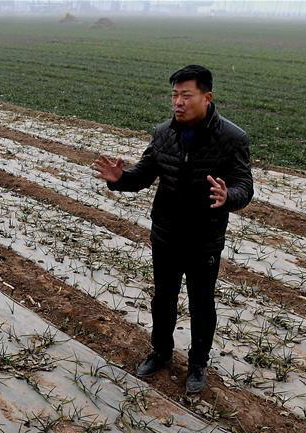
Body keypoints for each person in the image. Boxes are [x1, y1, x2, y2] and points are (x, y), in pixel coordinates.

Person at [93, 65, 253, 394]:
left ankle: (198, 364)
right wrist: (120, 179)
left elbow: (244, 186)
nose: (178, 102)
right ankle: (161, 352)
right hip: (166, 235)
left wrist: (228, 197)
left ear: (207, 98)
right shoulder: (163, 133)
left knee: (201, 304)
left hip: (204, 239)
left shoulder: (232, 139)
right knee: (163, 298)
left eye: (186, 95)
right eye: (174, 95)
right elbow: (142, 176)